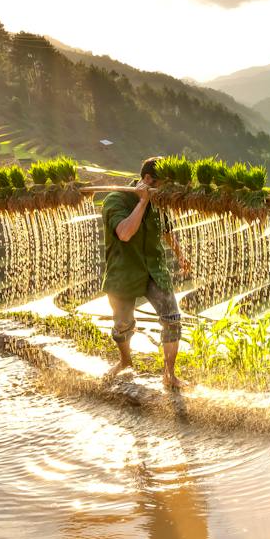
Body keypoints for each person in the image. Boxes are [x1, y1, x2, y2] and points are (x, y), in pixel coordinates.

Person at [101, 157, 184, 389]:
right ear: (147, 180)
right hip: (125, 271)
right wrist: (142, 203)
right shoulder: (115, 200)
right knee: (122, 325)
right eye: (162, 185)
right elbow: (125, 233)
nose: (165, 192)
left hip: (154, 269)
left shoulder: (159, 202)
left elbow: (167, 230)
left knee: (172, 319)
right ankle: (125, 361)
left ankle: (169, 374)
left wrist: (181, 256)